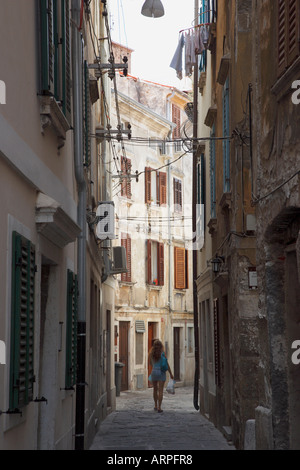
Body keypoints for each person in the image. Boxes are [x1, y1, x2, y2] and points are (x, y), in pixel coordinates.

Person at [148, 339, 174, 413]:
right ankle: (160, 407)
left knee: (155, 390)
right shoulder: (163, 353)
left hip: (154, 372)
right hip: (161, 372)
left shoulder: (151, 353)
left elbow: (150, 363)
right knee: (160, 390)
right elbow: (166, 364)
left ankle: (155, 405)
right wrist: (171, 373)